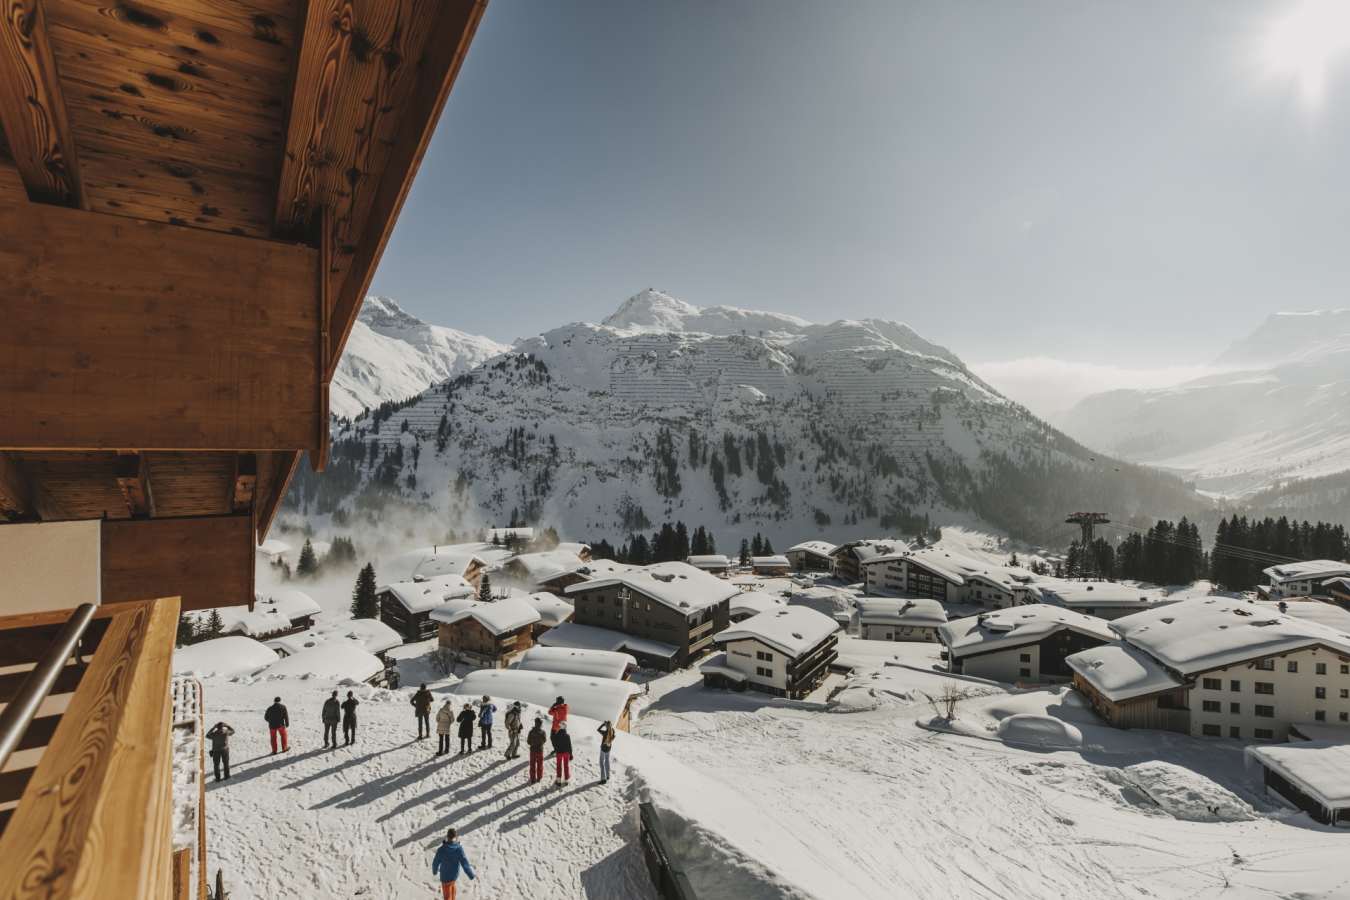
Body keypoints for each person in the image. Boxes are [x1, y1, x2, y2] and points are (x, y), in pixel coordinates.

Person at [431, 828, 475, 899]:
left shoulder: (441, 849)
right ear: (455, 837)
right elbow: (464, 862)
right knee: (452, 888)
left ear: (447, 837)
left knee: (447, 895)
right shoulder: (459, 849)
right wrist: (470, 874)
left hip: (445, 877)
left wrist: (434, 871)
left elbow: (435, 862)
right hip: (454, 876)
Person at [526, 716, 546, 783]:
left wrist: (532, 743)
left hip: (533, 750)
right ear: (540, 724)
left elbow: (528, 741)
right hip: (540, 750)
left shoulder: (531, 732)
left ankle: (533, 779)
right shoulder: (543, 732)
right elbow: (544, 740)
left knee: (532, 764)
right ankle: (539, 777)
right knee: (540, 764)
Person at [552, 721, 573, 786]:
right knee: (566, 766)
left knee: (559, 766)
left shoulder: (556, 734)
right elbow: (569, 745)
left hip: (559, 753)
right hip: (566, 753)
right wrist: (571, 754)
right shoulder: (567, 735)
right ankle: (566, 780)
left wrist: (556, 749)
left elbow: (554, 743)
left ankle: (558, 781)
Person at [596, 720, 615, 785]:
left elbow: (598, 729)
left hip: (603, 749)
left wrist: (603, 725)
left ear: (606, 726)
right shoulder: (612, 731)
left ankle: (603, 779)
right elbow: (611, 730)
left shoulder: (605, 733)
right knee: (607, 761)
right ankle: (608, 775)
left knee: (601, 762)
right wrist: (607, 725)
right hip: (608, 749)